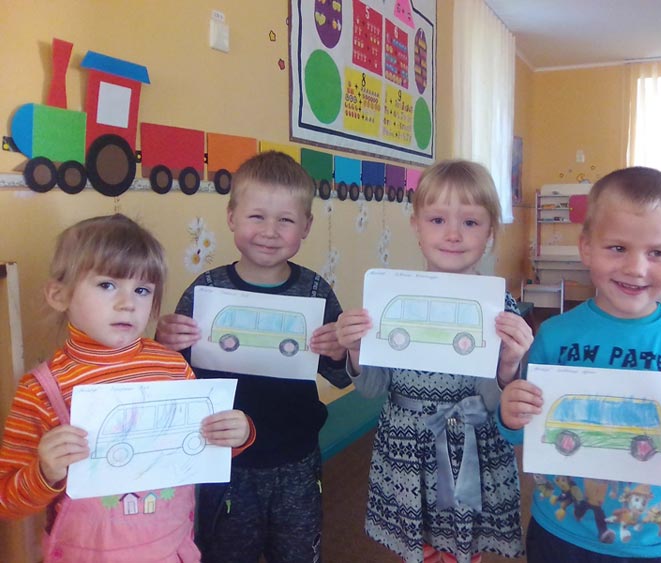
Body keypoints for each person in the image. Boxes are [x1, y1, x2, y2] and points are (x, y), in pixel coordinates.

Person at [500, 166, 661, 562]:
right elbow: (521, 431)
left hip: (653, 541)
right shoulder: (554, 335)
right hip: (559, 530)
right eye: (617, 248)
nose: (636, 268)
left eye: (657, 253)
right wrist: (510, 415)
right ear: (586, 248)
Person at [0, 213, 254, 562]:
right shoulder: (41, 389)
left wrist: (236, 435)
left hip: (171, 549)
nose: (127, 303)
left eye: (142, 290)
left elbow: (199, 449)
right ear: (59, 295)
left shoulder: (172, 366)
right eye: (107, 285)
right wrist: (44, 473)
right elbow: (7, 501)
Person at [156, 151, 350, 563]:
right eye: (256, 216)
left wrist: (339, 350)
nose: (269, 232)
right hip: (224, 459)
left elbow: (339, 373)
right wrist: (165, 343)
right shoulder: (207, 289)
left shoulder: (315, 291)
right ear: (231, 217)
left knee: (297, 552)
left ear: (306, 226)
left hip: (296, 457)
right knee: (225, 552)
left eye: (286, 220)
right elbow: (174, 378)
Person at [336, 159, 532, 563]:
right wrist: (355, 350)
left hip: (472, 446)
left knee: (464, 546)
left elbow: (496, 403)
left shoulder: (499, 309)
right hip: (406, 446)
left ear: (490, 232)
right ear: (416, 226)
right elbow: (372, 389)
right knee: (419, 545)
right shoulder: (392, 299)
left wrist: (508, 366)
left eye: (471, 223)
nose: (453, 234)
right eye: (438, 220)